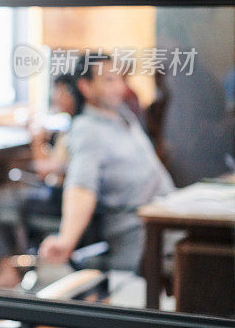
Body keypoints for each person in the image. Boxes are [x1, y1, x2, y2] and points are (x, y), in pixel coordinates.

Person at [39, 54, 175, 271]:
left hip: (168, 222)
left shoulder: (122, 115)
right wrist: (66, 240)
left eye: (119, 78)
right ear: (86, 86)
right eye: (108, 80)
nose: (119, 87)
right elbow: (82, 188)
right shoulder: (87, 129)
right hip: (144, 238)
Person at [0, 72, 81, 288]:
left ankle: (9, 270)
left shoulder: (78, 130)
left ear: (71, 94)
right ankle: (18, 264)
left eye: (59, 91)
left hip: (59, 198)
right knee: (4, 197)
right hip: (56, 192)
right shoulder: (75, 124)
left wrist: (36, 139)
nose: (55, 96)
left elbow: (45, 170)